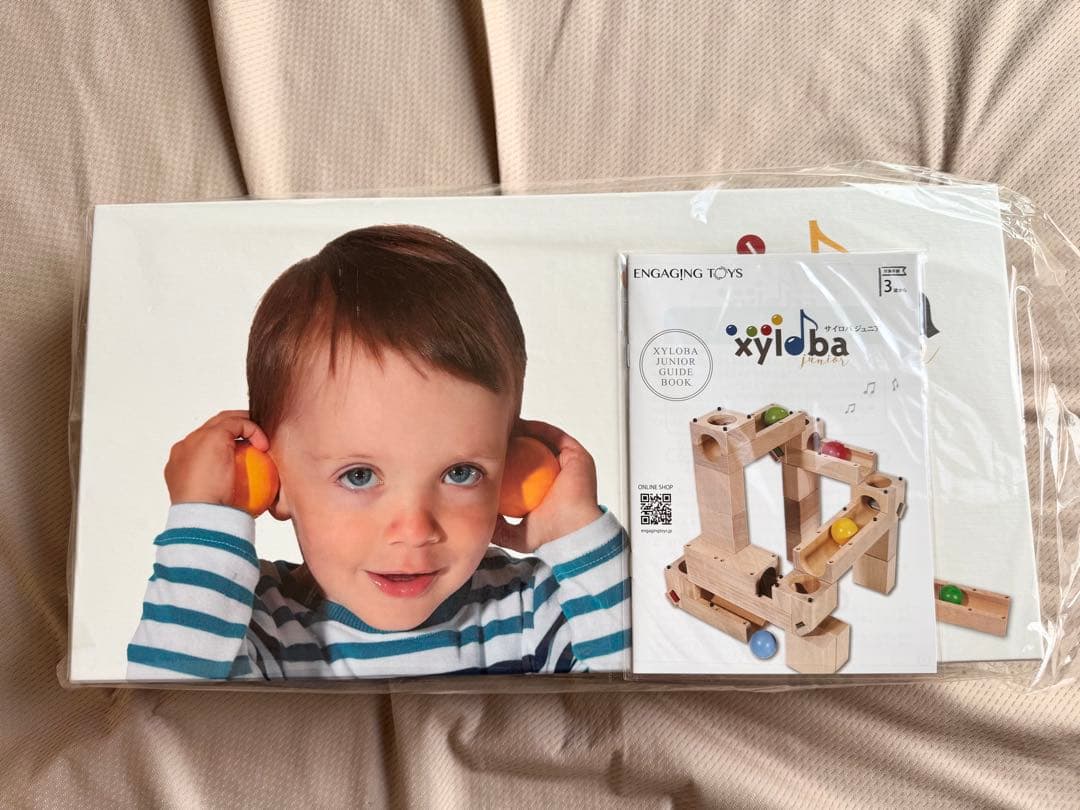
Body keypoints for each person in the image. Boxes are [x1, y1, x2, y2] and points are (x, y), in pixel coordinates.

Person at [126, 225, 630, 679]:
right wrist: (205, 520)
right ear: (272, 478)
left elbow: (645, 691)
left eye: (460, 473)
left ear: (512, 470)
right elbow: (171, 714)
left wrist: (575, 530)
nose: (413, 530)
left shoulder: (531, 614)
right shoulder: (250, 627)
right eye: (359, 476)